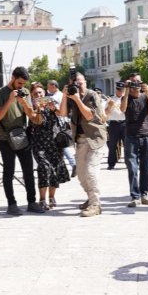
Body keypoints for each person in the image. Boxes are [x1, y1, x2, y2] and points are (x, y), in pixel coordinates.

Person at [58, 72, 107, 217]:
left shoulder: (92, 95)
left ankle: (95, 205)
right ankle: (91, 198)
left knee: (90, 172)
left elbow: (90, 116)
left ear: (85, 82)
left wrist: (77, 99)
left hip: (95, 138)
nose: (78, 86)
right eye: (75, 83)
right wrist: (65, 96)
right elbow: (62, 113)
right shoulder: (71, 96)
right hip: (80, 140)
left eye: (80, 82)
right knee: (80, 174)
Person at [0, 66, 39, 215]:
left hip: (22, 137)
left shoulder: (24, 93)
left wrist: (23, 102)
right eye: (19, 83)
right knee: (9, 171)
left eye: (23, 84)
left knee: (28, 171)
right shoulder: (1, 93)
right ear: (12, 78)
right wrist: (10, 100)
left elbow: (31, 115)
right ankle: (11, 204)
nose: (21, 87)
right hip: (5, 138)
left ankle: (32, 202)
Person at [26, 82, 70, 210]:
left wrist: (55, 105)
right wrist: (39, 109)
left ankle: (52, 197)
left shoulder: (52, 105)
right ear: (32, 97)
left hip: (54, 143)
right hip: (39, 145)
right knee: (44, 168)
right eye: (35, 94)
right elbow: (37, 120)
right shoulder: (31, 109)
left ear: (44, 93)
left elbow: (62, 113)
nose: (39, 95)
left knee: (55, 169)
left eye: (40, 93)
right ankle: (42, 199)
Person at [120, 72, 148, 207]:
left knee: (145, 168)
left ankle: (144, 194)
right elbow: (123, 109)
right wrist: (125, 90)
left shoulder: (146, 96)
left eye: (138, 82)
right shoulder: (126, 97)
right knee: (132, 167)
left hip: (147, 135)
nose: (136, 85)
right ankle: (135, 196)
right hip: (131, 136)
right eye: (133, 82)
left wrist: (147, 92)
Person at [47, 79, 77, 177]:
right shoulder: (59, 95)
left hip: (59, 123)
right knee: (62, 145)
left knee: (62, 145)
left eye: (48, 86)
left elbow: (59, 111)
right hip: (62, 122)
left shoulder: (56, 97)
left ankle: (72, 164)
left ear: (54, 86)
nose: (47, 88)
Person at [104, 82, 126, 170]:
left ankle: (129, 163)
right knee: (112, 144)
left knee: (127, 144)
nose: (120, 91)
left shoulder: (126, 99)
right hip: (114, 123)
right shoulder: (111, 99)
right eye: (118, 89)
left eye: (121, 90)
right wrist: (109, 106)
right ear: (116, 89)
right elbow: (106, 113)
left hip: (124, 123)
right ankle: (111, 163)